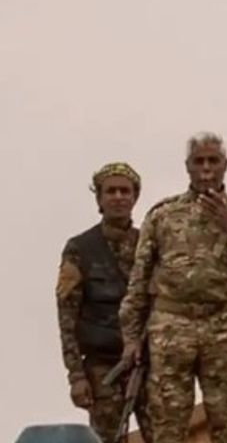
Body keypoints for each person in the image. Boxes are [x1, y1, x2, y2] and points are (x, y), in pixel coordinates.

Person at [118, 132, 227, 443]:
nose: (206, 168)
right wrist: (131, 338)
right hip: (171, 327)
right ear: (188, 166)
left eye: (213, 161)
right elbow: (138, 281)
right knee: (167, 427)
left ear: (225, 165)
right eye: (199, 161)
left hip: (221, 327)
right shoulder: (163, 215)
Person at [55, 162, 153, 443]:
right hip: (103, 368)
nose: (118, 197)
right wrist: (76, 376)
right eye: (111, 191)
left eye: (125, 191)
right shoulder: (80, 249)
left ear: (135, 196)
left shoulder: (149, 245)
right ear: (99, 198)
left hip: (149, 365)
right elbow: (67, 317)